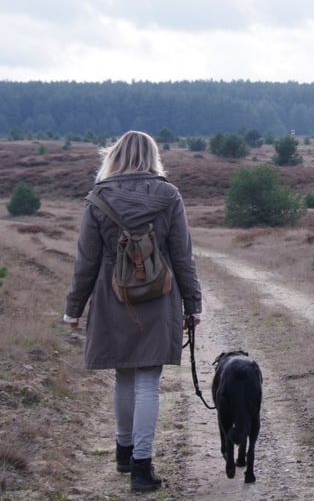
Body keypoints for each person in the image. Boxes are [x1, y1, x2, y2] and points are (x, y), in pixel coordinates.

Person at [63, 130, 202, 493]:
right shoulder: (169, 195)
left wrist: (73, 309)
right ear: (152, 156)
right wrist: (194, 305)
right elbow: (183, 256)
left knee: (124, 377)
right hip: (160, 297)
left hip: (113, 298)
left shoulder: (98, 198)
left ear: (116, 155)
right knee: (147, 383)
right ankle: (142, 467)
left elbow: (86, 262)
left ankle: (124, 453)